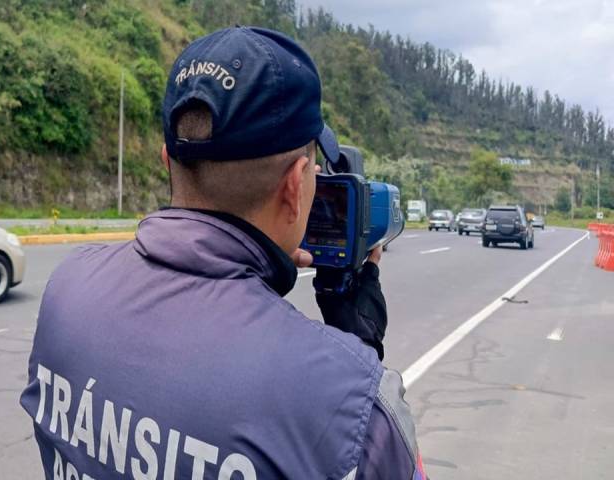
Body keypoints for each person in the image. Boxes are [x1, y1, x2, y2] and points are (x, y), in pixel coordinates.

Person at [21, 26, 426, 480]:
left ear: (166, 161)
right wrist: (357, 351)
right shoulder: (354, 406)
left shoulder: (68, 286)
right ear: (295, 185)